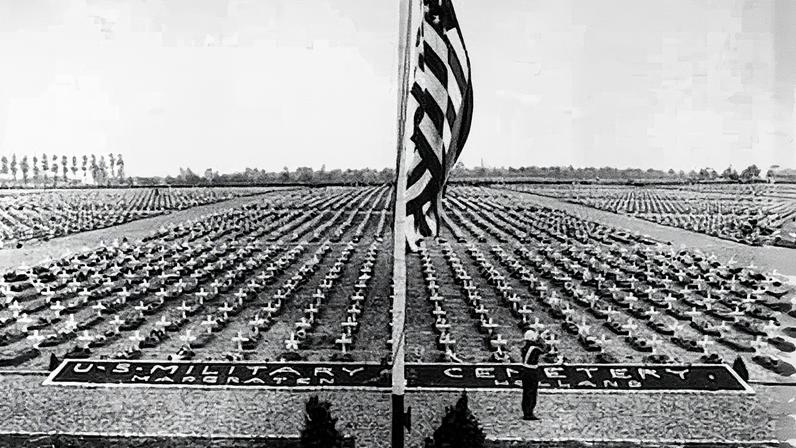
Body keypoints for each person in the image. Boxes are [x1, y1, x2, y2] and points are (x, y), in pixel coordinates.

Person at [520, 329, 548, 421]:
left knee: (526, 392)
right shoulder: (534, 348)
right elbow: (544, 349)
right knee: (531, 392)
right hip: (531, 371)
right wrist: (541, 339)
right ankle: (529, 413)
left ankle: (526, 411)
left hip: (525, 370)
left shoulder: (525, 347)